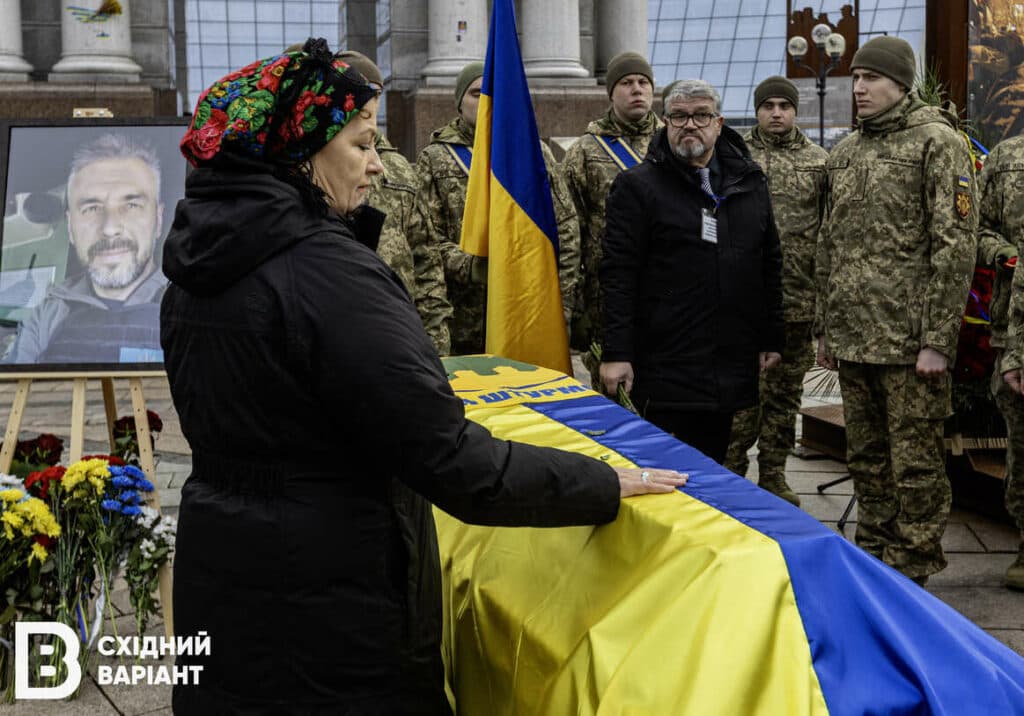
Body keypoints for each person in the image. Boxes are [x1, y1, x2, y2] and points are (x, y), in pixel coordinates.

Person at [162, 39, 686, 714]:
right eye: (361, 143)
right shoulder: (329, 273)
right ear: (300, 152)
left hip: (226, 578)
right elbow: (451, 461)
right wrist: (600, 481)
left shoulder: (195, 266)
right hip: (331, 610)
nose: (379, 165)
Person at [815, 36, 978, 584]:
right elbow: (828, 245)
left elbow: (955, 244)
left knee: (915, 462)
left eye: (871, 78)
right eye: (855, 78)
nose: (858, 88)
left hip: (910, 345)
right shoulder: (846, 151)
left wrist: (938, 339)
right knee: (864, 457)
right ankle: (876, 554)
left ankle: (914, 567)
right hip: (855, 340)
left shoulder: (937, 142)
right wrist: (826, 330)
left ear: (901, 84)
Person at [600, 79, 784, 464]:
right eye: (679, 116)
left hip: (727, 362)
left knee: (715, 470)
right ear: (665, 122)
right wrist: (616, 352)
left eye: (700, 115)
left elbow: (768, 262)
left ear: (718, 123)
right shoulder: (636, 187)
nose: (690, 125)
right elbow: (618, 275)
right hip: (664, 365)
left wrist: (772, 336)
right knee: (660, 473)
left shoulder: (748, 183)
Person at [287, 47, 454, 354]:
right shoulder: (303, 183)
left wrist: (437, 349)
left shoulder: (400, 169)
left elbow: (426, 261)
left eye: (374, 91)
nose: (366, 100)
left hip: (399, 329)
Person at [415, 61, 581, 355]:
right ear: (459, 103)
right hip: (464, 321)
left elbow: (564, 227)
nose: (487, 100)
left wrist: (561, 304)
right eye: (477, 93)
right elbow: (427, 239)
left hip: (526, 311)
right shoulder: (436, 158)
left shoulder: (533, 151)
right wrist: (471, 266)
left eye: (493, 92)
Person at [723, 76, 826, 506]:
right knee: (737, 399)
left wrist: (822, 311)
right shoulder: (731, 157)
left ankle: (775, 475)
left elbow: (828, 235)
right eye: (768, 105)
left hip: (796, 304)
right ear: (758, 109)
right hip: (738, 305)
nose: (777, 113)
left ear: (796, 110)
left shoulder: (819, 162)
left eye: (785, 105)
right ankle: (728, 476)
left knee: (785, 399)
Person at [7, 133, 166, 364]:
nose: (110, 228)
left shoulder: (190, 306)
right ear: (71, 227)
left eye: (131, 205)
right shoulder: (48, 314)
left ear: (158, 221)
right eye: (91, 208)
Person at [561, 51, 662, 386]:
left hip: (669, 293)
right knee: (616, 403)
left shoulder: (674, 142)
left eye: (643, 82)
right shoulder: (585, 152)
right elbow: (570, 228)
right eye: (627, 83)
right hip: (606, 299)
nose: (637, 89)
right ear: (611, 92)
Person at [976, 136, 1024, 590]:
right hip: (1014, 321)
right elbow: (979, 225)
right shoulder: (1007, 157)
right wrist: (1003, 254)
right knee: (1022, 442)